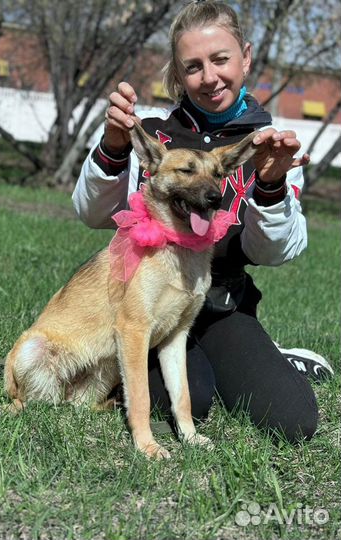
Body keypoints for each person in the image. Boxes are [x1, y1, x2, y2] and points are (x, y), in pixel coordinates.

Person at [72, 1, 333, 442]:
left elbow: (272, 253)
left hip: (223, 306)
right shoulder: (152, 136)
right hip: (152, 303)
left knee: (294, 421)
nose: (209, 77)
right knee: (181, 398)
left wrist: (269, 184)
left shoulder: (272, 146)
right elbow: (92, 213)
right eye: (193, 66)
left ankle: (273, 356)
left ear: (245, 57)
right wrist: (114, 145)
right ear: (178, 73)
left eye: (221, 59)